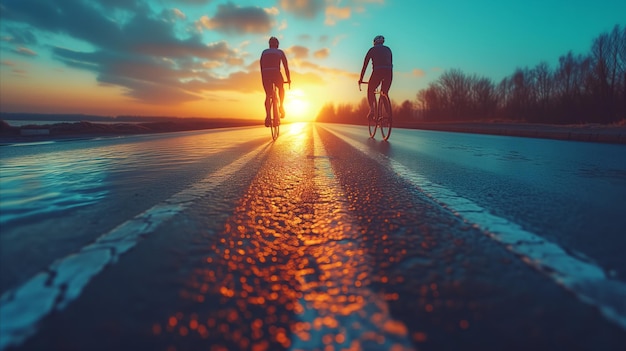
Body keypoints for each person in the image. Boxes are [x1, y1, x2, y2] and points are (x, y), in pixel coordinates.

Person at [358, 35, 393, 119]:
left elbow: (365, 65)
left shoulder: (372, 50)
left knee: (370, 89)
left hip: (377, 72)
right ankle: (389, 115)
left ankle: (372, 110)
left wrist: (361, 79)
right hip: (389, 72)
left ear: (374, 42)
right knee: (384, 92)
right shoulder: (388, 49)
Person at [260, 36, 291, 127]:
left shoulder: (264, 52)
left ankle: (268, 117)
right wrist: (288, 79)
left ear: (269, 45)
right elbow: (286, 67)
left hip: (265, 73)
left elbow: (261, 66)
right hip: (275, 72)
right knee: (281, 88)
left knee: (268, 95)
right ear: (277, 45)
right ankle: (281, 106)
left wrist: (264, 78)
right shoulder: (280, 52)